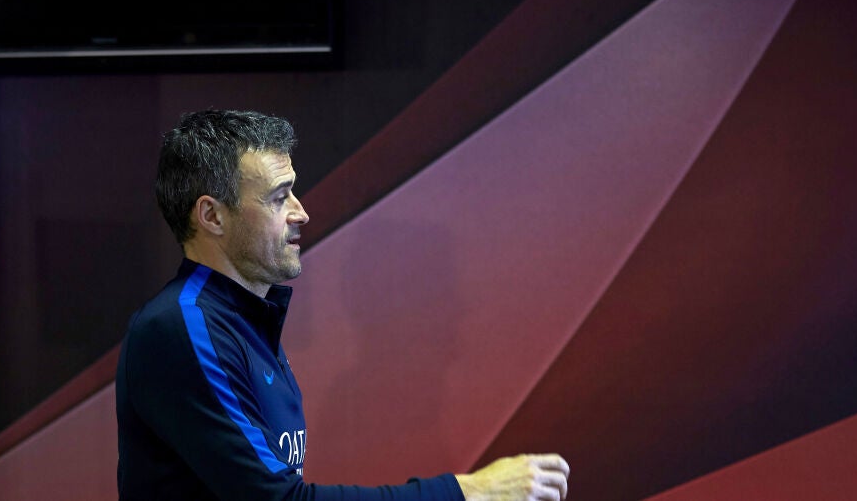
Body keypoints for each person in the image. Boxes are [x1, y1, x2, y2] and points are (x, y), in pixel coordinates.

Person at [116, 109, 570, 500]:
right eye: (279, 197)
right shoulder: (181, 326)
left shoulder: (243, 321)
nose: (301, 212)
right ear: (212, 216)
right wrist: (468, 492)